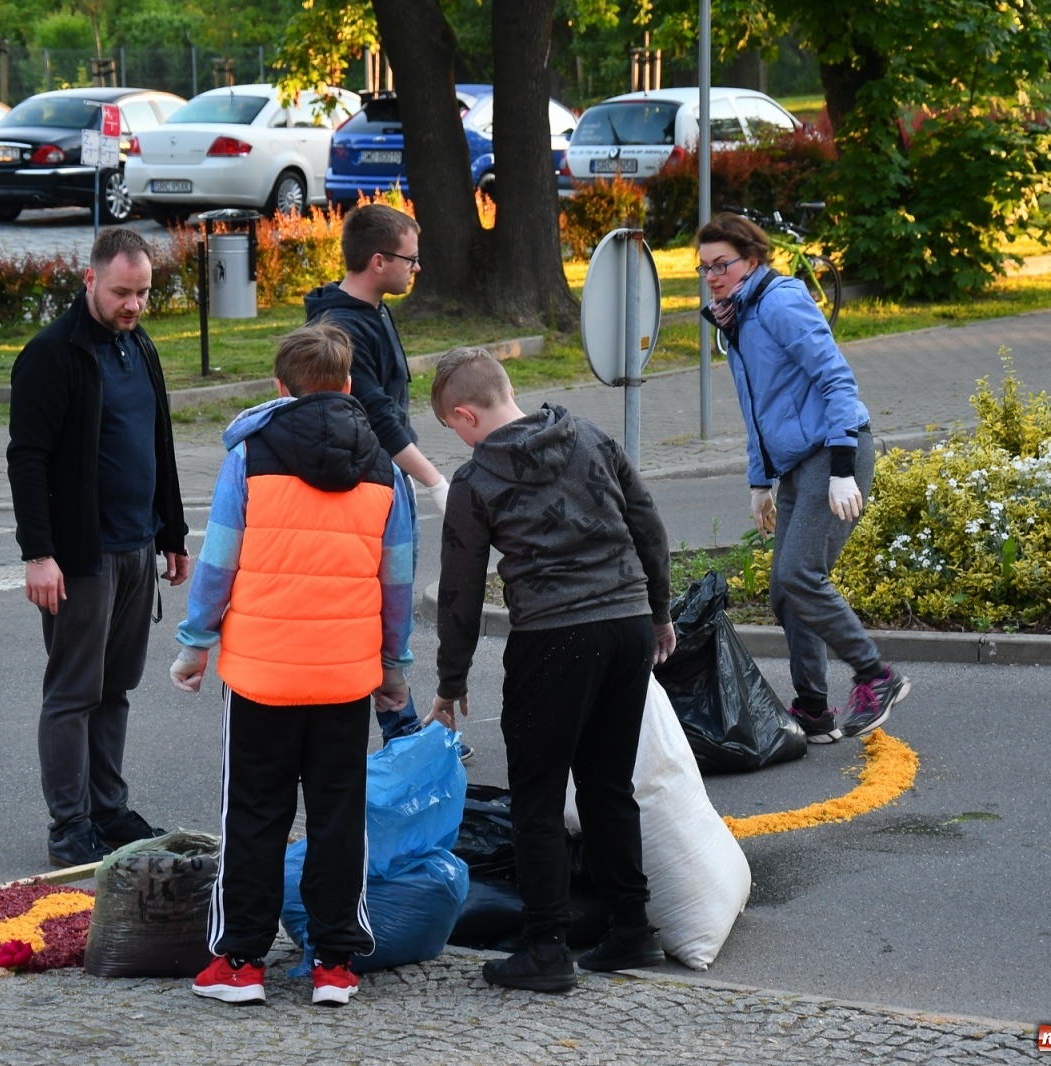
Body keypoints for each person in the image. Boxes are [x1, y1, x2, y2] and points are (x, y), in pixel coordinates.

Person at [170, 320, 416, 1008]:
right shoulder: (386, 467)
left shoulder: (250, 454)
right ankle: (334, 962)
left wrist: (195, 645)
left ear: (282, 388)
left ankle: (242, 961)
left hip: (262, 674)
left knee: (253, 814)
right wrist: (393, 667)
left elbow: (219, 558)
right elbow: (396, 579)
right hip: (345, 674)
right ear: (346, 386)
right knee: (339, 816)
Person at [429, 348, 676, 993]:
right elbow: (647, 523)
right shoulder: (590, 436)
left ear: (464, 413)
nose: (457, 438)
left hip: (553, 640)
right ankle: (632, 930)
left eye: (452, 426)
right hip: (625, 630)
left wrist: (451, 680)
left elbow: (460, 589)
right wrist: (659, 612)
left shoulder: (478, 478)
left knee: (536, 798)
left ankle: (546, 947)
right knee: (606, 786)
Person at [7, 227, 190, 870]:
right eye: (121, 292)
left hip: (138, 545)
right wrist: (38, 553)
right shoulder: (52, 355)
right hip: (80, 554)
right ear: (89, 281)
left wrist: (173, 531)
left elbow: (157, 443)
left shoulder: (138, 346)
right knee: (74, 689)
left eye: (143, 292)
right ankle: (70, 824)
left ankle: (109, 808)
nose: (134, 304)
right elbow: (27, 460)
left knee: (116, 687)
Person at [696, 212, 911, 743]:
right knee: (785, 593)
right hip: (796, 466)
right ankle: (813, 708)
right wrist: (758, 484)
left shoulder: (782, 301)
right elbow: (757, 410)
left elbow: (837, 379)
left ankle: (875, 676)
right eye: (703, 268)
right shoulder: (738, 319)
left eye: (721, 265)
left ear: (752, 259)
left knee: (800, 575)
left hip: (833, 454)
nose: (712, 277)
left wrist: (842, 470)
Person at [305, 203, 446, 747]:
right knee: (378, 607)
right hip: (361, 488)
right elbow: (377, 414)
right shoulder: (343, 327)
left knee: (385, 609)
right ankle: (401, 730)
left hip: (381, 481)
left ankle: (402, 727)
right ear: (378, 260)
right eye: (410, 259)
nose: (417, 269)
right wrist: (432, 479)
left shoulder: (373, 310)